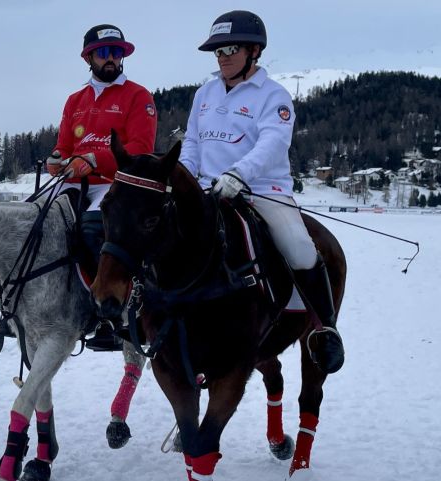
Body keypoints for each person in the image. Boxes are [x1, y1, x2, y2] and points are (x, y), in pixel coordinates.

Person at [178, 11, 345, 374]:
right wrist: (186, 176)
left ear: (255, 50)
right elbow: (192, 142)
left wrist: (238, 174)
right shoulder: (204, 93)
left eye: (230, 49)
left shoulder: (274, 96)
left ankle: (324, 329)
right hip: (208, 191)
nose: (222, 57)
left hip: (262, 192)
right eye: (217, 51)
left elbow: (272, 143)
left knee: (300, 248)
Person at [46, 24, 158, 351]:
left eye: (116, 52)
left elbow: (139, 148)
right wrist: (57, 160)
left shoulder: (138, 96)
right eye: (104, 53)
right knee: (33, 223)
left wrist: (96, 160)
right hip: (74, 180)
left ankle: (110, 313)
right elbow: (64, 145)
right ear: (89, 58)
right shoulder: (75, 100)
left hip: (117, 182)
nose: (111, 59)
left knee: (95, 228)